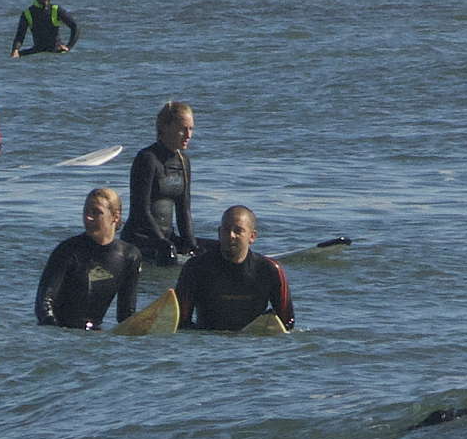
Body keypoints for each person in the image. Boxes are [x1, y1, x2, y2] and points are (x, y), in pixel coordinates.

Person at [35, 187, 142, 329]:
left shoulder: (129, 256)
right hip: (62, 331)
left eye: (96, 212)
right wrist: (55, 331)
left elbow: (125, 315)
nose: (88, 218)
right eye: (86, 211)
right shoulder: (68, 250)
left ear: (115, 216)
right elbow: (43, 304)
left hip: (95, 334)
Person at [175, 205, 294, 332]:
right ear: (219, 233)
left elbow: (287, 323)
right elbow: (181, 321)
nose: (231, 235)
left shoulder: (270, 270)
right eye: (226, 230)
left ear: (252, 236)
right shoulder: (196, 267)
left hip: (252, 340)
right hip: (209, 339)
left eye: (238, 231)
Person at [124, 100, 199, 264]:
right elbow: (140, 211)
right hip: (140, 238)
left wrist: (191, 244)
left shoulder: (183, 162)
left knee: (211, 251)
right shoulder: (147, 159)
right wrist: (162, 242)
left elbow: (184, 211)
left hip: (166, 238)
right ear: (165, 127)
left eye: (191, 129)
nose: (188, 135)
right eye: (183, 129)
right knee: (169, 256)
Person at [10, 0, 79, 57]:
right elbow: (20, 35)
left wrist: (69, 46)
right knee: (16, 56)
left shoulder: (56, 9)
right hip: (37, 50)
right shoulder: (28, 13)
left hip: (56, 50)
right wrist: (15, 49)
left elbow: (75, 26)